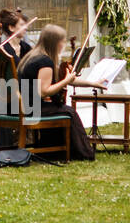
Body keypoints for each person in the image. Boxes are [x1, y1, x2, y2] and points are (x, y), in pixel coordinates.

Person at [16, 24, 103, 160]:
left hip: (23, 106)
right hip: (32, 109)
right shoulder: (45, 62)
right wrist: (66, 81)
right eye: (62, 41)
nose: (64, 44)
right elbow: (44, 92)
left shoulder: (33, 56)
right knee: (69, 112)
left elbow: (68, 79)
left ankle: (54, 151)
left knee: (61, 109)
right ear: (55, 43)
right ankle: (84, 153)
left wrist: (93, 83)